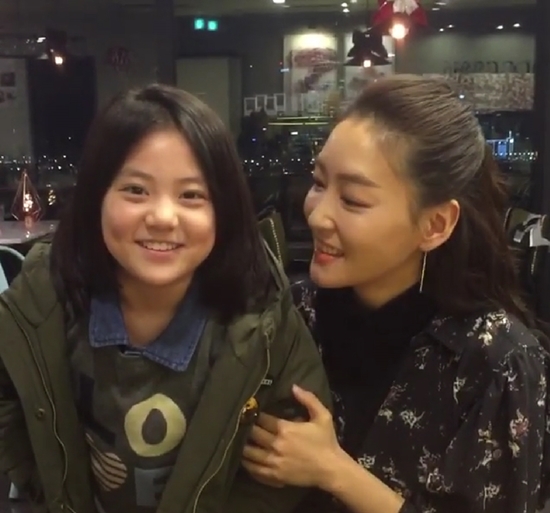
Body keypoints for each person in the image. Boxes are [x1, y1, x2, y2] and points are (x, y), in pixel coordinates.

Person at [0, 84, 331, 513]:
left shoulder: (261, 315)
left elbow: (282, 463)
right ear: (96, 198)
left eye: (191, 195)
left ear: (224, 210)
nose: (162, 217)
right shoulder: (49, 294)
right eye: (136, 190)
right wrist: (46, 488)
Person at [241, 75, 550, 513]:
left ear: (435, 225)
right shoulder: (293, 316)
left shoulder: (496, 362)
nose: (317, 215)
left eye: (352, 200)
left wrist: (334, 470)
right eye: (318, 182)